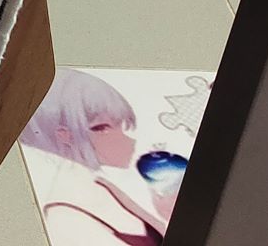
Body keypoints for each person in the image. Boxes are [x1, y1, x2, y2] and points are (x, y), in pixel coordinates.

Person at [20, 68, 174, 245]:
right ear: (65, 135)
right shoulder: (64, 215)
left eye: (121, 125)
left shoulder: (102, 185)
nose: (127, 139)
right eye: (103, 128)